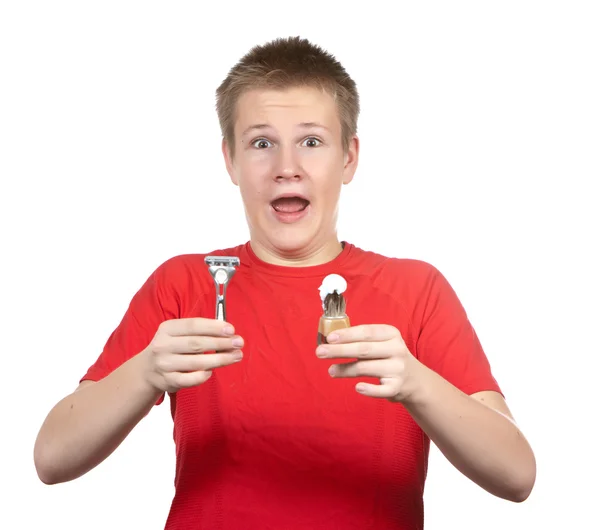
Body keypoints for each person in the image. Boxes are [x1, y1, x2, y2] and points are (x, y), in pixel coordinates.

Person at [33, 36, 536, 529]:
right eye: (261, 143)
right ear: (230, 159)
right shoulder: (183, 284)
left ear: (348, 158)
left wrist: (418, 384)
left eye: (312, 142)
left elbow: (516, 476)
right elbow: (53, 458)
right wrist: (144, 372)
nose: (286, 168)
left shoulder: (416, 289)